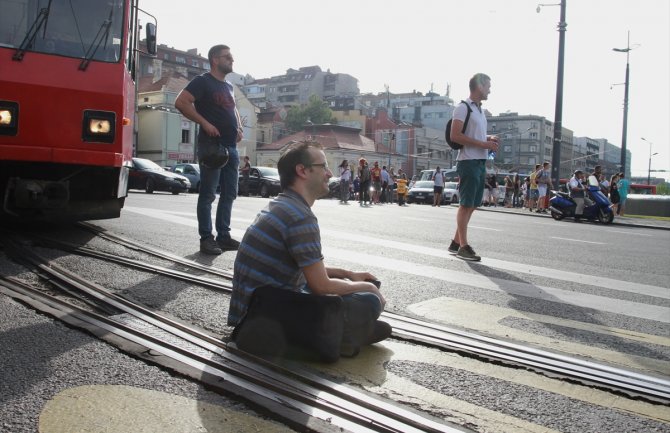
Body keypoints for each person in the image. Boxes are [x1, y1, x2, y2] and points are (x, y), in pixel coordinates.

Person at [228, 142, 391, 360]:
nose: (329, 173)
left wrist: (348, 274)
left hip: (255, 310)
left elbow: (304, 268)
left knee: (351, 290)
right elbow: (321, 286)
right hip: (264, 318)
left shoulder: (281, 205)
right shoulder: (300, 216)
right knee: (369, 300)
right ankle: (339, 334)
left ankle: (346, 330)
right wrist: (368, 288)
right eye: (323, 166)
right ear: (302, 171)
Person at [175, 44, 243, 255]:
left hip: (231, 147)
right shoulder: (202, 81)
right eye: (227, 57)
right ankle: (207, 238)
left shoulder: (229, 86)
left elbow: (234, 109)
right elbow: (181, 102)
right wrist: (204, 123)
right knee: (208, 195)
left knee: (230, 194)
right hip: (212, 147)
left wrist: (239, 126)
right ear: (215, 59)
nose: (232, 60)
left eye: (232, 57)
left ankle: (223, 236)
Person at [447, 73, 499, 261]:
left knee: (473, 205)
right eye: (488, 86)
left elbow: (474, 136)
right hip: (468, 161)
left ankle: (455, 242)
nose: (490, 90)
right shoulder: (462, 108)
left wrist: (488, 139)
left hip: (479, 161)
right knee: (466, 204)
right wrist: (484, 144)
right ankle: (463, 246)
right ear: (479, 86)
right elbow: (455, 136)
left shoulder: (479, 111)